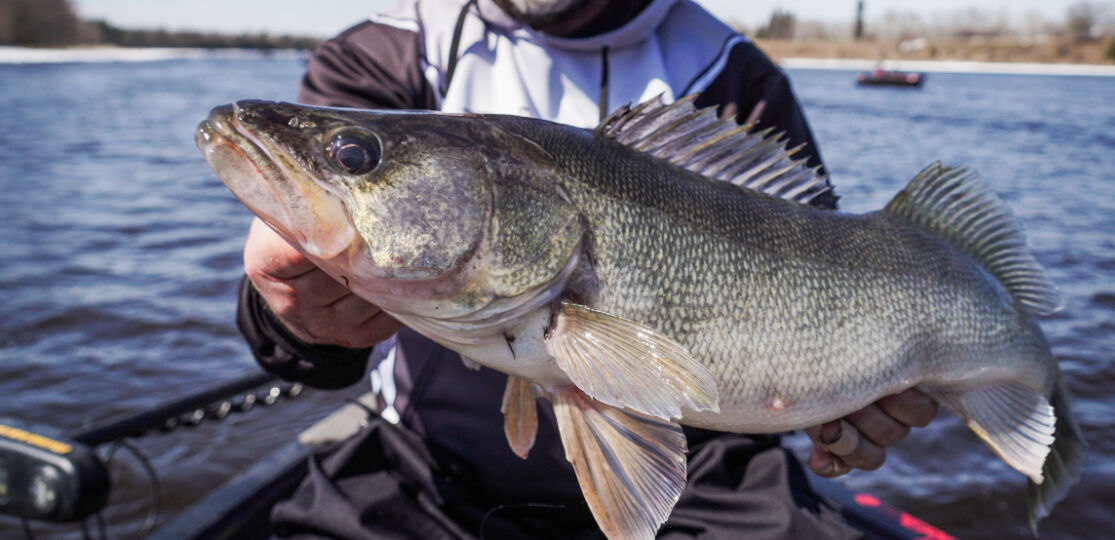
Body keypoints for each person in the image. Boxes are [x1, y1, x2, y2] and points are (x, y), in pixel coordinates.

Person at [237, 0, 939, 537]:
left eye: (357, 160)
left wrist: (850, 404)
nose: (350, 166)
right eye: (359, 158)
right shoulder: (386, 52)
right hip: (433, 468)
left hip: (707, 475)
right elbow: (306, 351)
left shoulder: (734, 71)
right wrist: (292, 319)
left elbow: (820, 276)